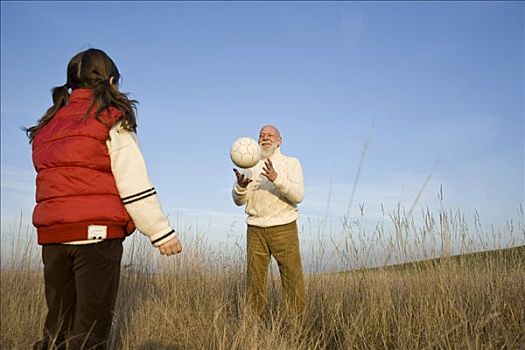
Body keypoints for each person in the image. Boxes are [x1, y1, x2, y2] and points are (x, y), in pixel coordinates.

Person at [25, 48, 182, 350]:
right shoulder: (110, 118)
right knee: (90, 330)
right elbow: (132, 181)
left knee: (57, 327)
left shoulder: (47, 126)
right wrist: (160, 231)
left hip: (53, 239)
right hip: (95, 237)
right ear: (111, 81)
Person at [232, 125, 306, 316]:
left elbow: (298, 196)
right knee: (255, 283)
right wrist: (240, 187)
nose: (265, 138)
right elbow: (238, 201)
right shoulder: (248, 166)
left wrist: (275, 178)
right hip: (255, 229)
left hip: (284, 228)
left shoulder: (291, 163)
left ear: (279, 141)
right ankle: (254, 329)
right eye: (262, 135)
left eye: (270, 135)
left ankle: (297, 330)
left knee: (293, 282)